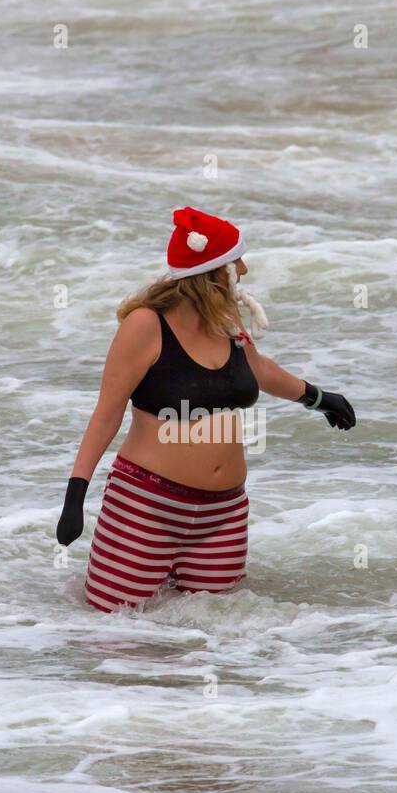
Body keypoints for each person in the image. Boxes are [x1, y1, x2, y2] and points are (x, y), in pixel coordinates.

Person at [56, 206, 356, 612]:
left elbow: (259, 369)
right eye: (237, 260)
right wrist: (75, 496)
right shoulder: (145, 326)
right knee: (116, 640)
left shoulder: (227, 321)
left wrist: (318, 398)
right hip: (147, 508)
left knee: (212, 642)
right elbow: (106, 413)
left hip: (224, 516)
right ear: (213, 271)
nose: (245, 269)